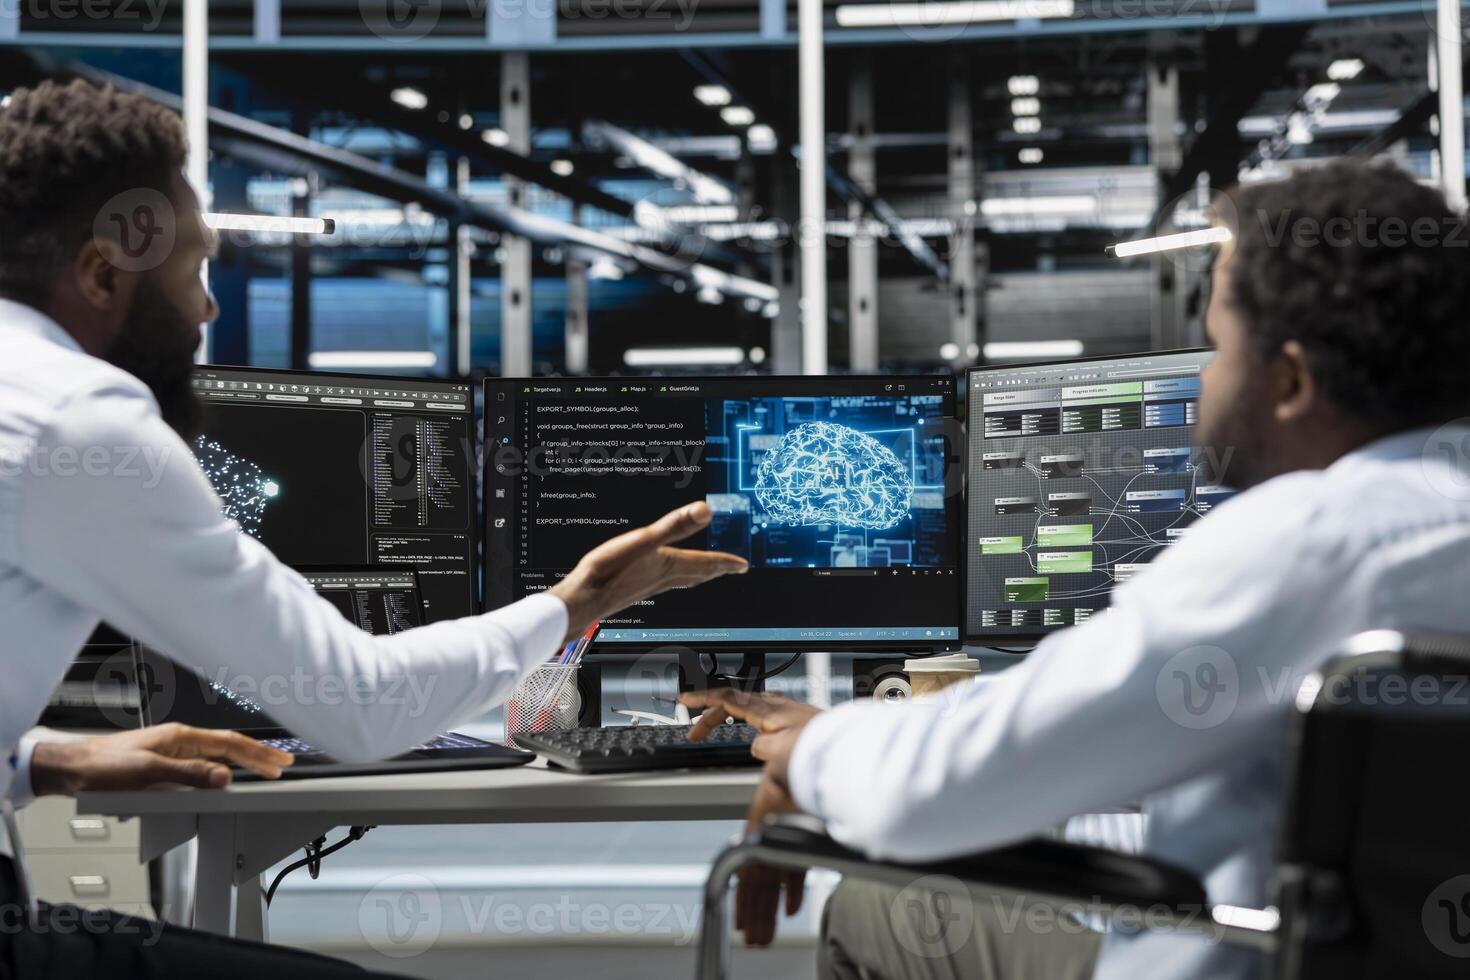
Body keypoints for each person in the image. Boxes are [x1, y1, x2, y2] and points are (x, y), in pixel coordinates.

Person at [0, 79, 747, 977]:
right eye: (194, 270)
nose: (208, 308)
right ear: (100, 274)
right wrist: (576, 601)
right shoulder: (78, 418)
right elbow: (360, 705)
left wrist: (40, 763)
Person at [685, 159, 1470, 980]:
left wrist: (815, 750)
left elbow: (927, 794)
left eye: (1219, 347)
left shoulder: (1312, 545)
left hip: (1242, 961)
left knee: (875, 906)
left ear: (1290, 380)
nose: (1204, 375)